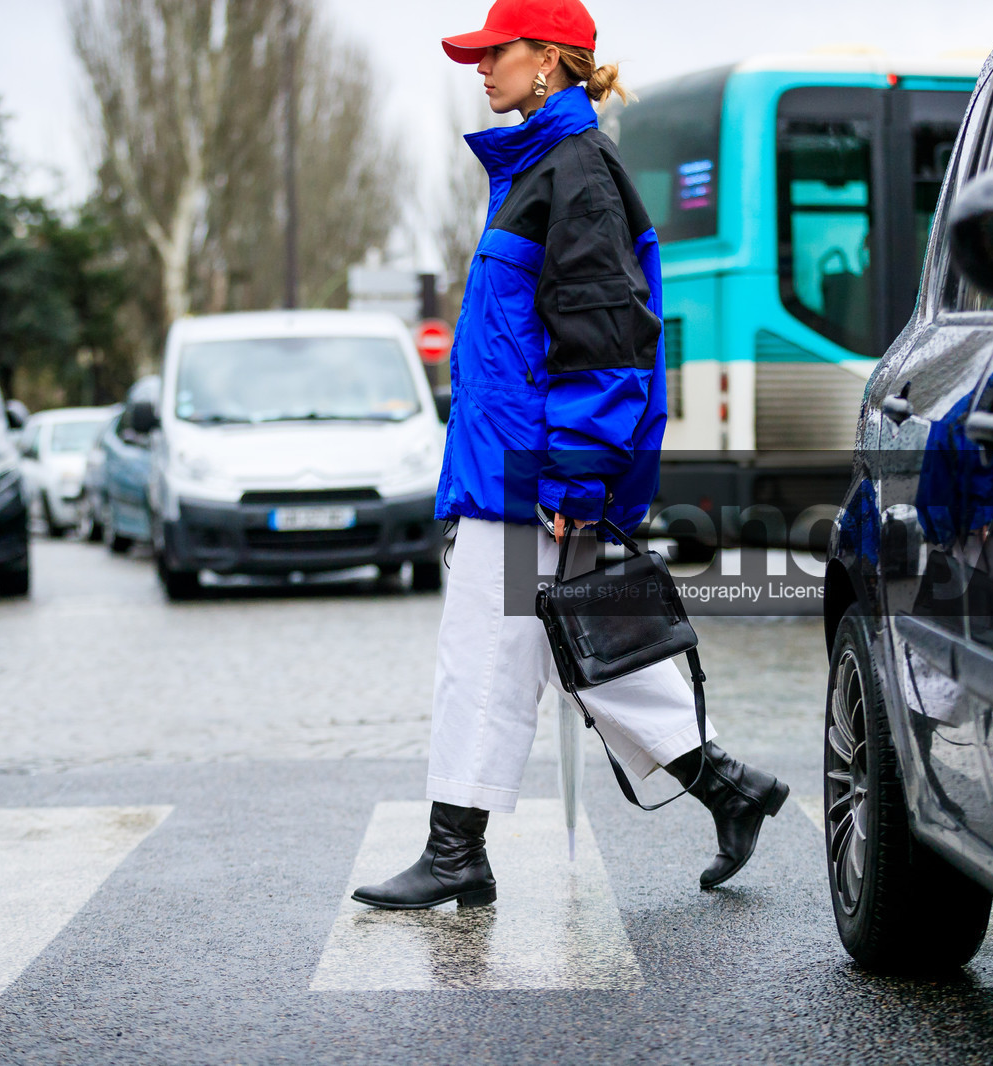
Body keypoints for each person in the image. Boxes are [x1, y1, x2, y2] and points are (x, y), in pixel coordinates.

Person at [351, 0, 791, 911]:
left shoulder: (573, 173)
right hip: (522, 466)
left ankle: (456, 854)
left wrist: (575, 478)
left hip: (532, 476)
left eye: (494, 51)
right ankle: (731, 788)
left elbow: (605, 340)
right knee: (575, 647)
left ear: (547, 58)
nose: (480, 67)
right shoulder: (549, 169)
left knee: (489, 655)